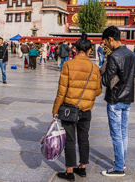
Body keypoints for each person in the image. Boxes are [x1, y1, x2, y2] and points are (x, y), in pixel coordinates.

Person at [50, 37, 102, 181]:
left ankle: (69, 171)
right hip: (86, 110)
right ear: (90, 50)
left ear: (76, 49)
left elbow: (62, 91)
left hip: (69, 110)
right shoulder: (95, 68)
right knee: (84, 139)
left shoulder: (68, 65)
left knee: (70, 141)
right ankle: (83, 168)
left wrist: (55, 110)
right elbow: (98, 91)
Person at [99, 26, 135, 177]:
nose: (106, 46)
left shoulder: (114, 57)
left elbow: (105, 80)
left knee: (116, 134)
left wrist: (103, 70)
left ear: (110, 39)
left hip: (115, 99)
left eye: (105, 43)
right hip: (127, 98)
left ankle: (119, 167)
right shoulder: (131, 54)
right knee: (123, 133)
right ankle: (121, 161)